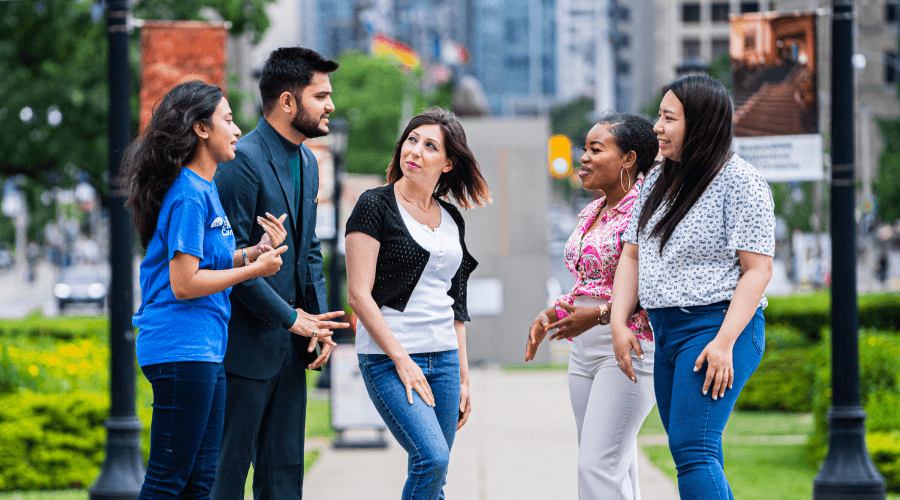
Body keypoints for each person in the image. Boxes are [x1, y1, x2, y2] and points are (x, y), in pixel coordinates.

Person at [611, 74, 775, 500]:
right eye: (658, 116)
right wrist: (617, 321)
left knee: (693, 449)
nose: (656, 128)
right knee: (695, 448)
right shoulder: (658, 176)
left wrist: (723, 343)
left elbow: (757, 271)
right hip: (669, 333)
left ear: (699, 124)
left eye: (668, 118)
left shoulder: (740, 181)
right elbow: (632, 254)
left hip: (716, 329)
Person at [126, 80, 289, 499]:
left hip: (205, 350)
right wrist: (253, 272)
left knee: (199, 482)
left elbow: (208, 262)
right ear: (201, 129)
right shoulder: (188, 194)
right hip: (182, 348)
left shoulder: (205, 188)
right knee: (167, 479)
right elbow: (184, 284)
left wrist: (253, 253)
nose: (237, 131)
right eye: (228, 121)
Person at [212, 47, 348, 500]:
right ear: (288, 102)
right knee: (226, 475)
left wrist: (320, 323)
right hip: (242, 349)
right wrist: (293, 318)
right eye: (321, 95)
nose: (331, 105)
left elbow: (308, 252)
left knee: (285, 474)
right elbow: (230, 261)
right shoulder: (241, 160)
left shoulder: (308, 161)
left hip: (292, 350)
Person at [345, 108, 490, 500]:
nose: (415, 151)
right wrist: (401, 360)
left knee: (435, 477)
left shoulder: (451, 218)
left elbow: (456, 303)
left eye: (430, 146)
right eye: (412, 140)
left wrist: (463, 376)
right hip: (388, 359)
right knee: (432, 458)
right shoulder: (374, 205)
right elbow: (358, 294)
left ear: (447, 162)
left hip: (443, 359)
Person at [525, 113, 659, 500]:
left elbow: (649, 286)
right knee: (614, 464)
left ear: (629, 159)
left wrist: (600, 316)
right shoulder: (590, 212)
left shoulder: (648, 210)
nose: (582, 157)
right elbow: (589, 283)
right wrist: (552, 313)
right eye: (584, 148)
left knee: (596, 467)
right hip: (584, 351)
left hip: (630, 347)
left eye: (595, 149)